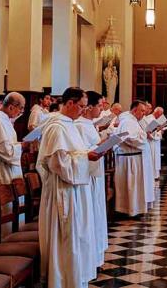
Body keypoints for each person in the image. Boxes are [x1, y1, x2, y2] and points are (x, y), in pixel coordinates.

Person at [38, 87, 102, 288]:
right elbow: (59, 163)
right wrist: (87, 157)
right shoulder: (57, 127)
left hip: (76, 189)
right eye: (81, 106)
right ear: (70, 103)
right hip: (63, 191)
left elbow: (75, 154)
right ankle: (63, 280)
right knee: (67, 238)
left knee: (78, 236)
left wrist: (89, 154)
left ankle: (76, 276)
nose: (84, 111)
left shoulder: (70, 124)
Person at [74, 91, 108, 268]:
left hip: (96, 175)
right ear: (89, 107)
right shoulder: (79, 125)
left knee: (98, 213)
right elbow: (79, 151)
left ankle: (97, 254)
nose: (102, 109)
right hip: (88, 176)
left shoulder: (89, 124)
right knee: (91, 215)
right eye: (100, 105)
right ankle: (90, 259)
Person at [114, 100, 149, 216]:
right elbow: (131, 138)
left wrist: (142, 135)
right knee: (131, 186)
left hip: (132, 158)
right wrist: (143, 137)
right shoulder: (128, 122)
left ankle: (134, 209)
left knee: (133, 186)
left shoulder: (132, 121)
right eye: (142, 111)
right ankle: (129, 210)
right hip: (129, 159)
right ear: (134, 110)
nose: (144, 113)